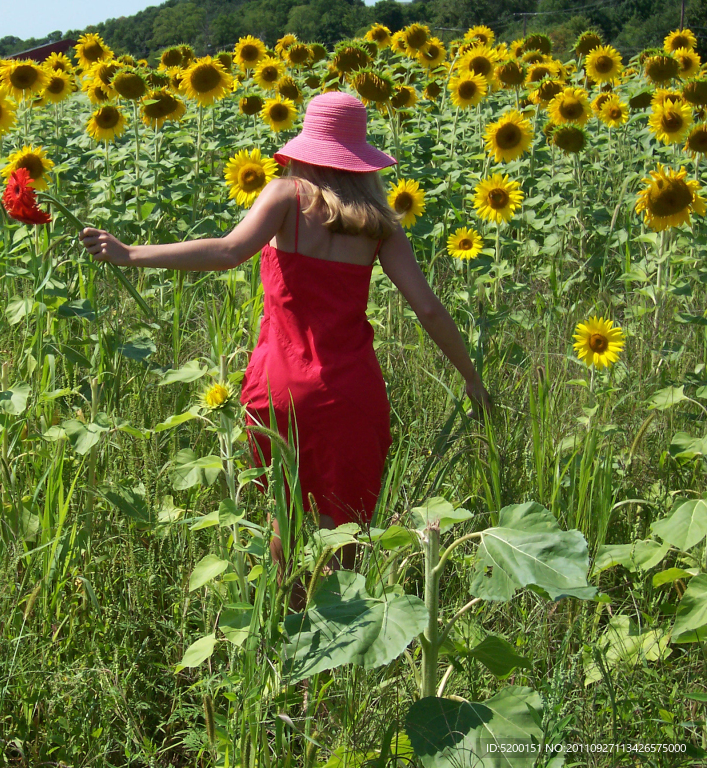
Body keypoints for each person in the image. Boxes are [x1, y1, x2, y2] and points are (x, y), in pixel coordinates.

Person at [79, 91, 493, 608]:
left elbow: (229, 251)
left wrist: (130, 252)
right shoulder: (379, 222)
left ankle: (284, 627)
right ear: (360, 157)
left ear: (305, 146)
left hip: (280, 385)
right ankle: (337, 637)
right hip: (349, 391)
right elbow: (428, 309)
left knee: (285, 514)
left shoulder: (285, 197)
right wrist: (471, 378)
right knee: (342, 524)